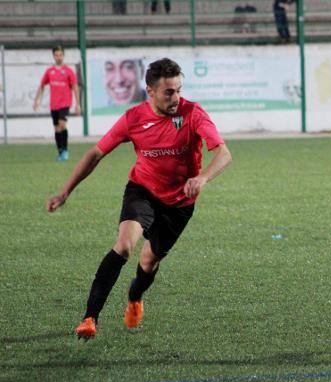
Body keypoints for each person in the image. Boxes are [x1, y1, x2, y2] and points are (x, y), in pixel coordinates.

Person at [46, 58, 232, 340]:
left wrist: (202, 177)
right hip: (142, 190)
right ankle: (89, 318)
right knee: (124, 245)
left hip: (180, 203)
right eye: (169, 92)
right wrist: (65, 191)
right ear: (150, 91)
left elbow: (224, 154)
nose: (176, 97)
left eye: (179, 90)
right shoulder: (134, 118)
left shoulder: (193, 113)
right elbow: (96, 154)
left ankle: (135, 298)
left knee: (148, 262)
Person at [33, 45, 81, 161]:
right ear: (53, 56)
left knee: (62, 124)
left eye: (60, 55)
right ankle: (60, 152)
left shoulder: (69, 71)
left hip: (64, 104)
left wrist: (78, 104)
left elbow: (75, 87)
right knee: (56, 129)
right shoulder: (50, 72)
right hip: (53, 105)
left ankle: (65, 150)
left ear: (63, 56)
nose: (58, 57)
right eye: (56, 55)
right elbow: (42, 86)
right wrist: (36, 100)